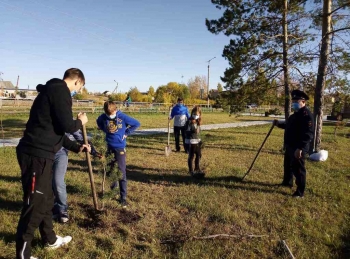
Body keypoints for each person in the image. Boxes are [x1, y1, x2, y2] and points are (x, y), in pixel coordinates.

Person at [15, 68, 89, 259]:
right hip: (36, 155)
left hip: (43, 154)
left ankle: (50, 239)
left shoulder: (52, 92)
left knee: (46, 200)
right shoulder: (60, 91)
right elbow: (67, 125)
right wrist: (80, 121)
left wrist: (76, 147)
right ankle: (23, 254)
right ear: (77, 81)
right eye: (79, 88)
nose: (78, 91)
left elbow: (56, 131)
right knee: (34, 205)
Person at [96, 101, 140, 208]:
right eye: (108, 115)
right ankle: (113, 191)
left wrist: (126, 133)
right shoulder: (103, 117)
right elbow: (98, 122)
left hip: (119, 147)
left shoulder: (122, 117)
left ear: (115, 110)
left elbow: (136, 124)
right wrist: (104, 130)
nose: (110, 116)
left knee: (121, 172)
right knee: (111, 170)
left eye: (111, 114)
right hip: (108, 147)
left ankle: (123, 197)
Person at [52, 129, 102, 224]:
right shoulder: (43, 117)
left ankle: (62, 210)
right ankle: (53, 207)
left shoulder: (64, 119)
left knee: (57, 181)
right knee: (47, 182)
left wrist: (93, 151)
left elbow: (79, 136)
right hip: (43, 153)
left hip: (60, 154)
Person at [273, 89, 314, 198]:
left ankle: (300, 192)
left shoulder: (306, 115)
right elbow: (289, 126)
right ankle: (287, 182)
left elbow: (308, 134)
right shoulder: (295, 114)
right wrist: (278, 124)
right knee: (288, 166)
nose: (294, 103)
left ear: (303, 102)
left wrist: (300, 148)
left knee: (298, 170)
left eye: (297, 101)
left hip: (298, 147)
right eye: (293, 101)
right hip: (290, 145)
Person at [185, 106, 203, 177]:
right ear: (192, 113)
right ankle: (191, 170)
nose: (196, 116)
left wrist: (200, 139)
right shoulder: (189, 121)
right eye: (194, 114)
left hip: (197, 140)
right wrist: (192, 130)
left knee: (199, 154)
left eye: (197, 114)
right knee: (191, 155)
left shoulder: (198, 121)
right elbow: (186, 131)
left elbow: (199, 131)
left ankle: (197, 168)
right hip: (191, 141)